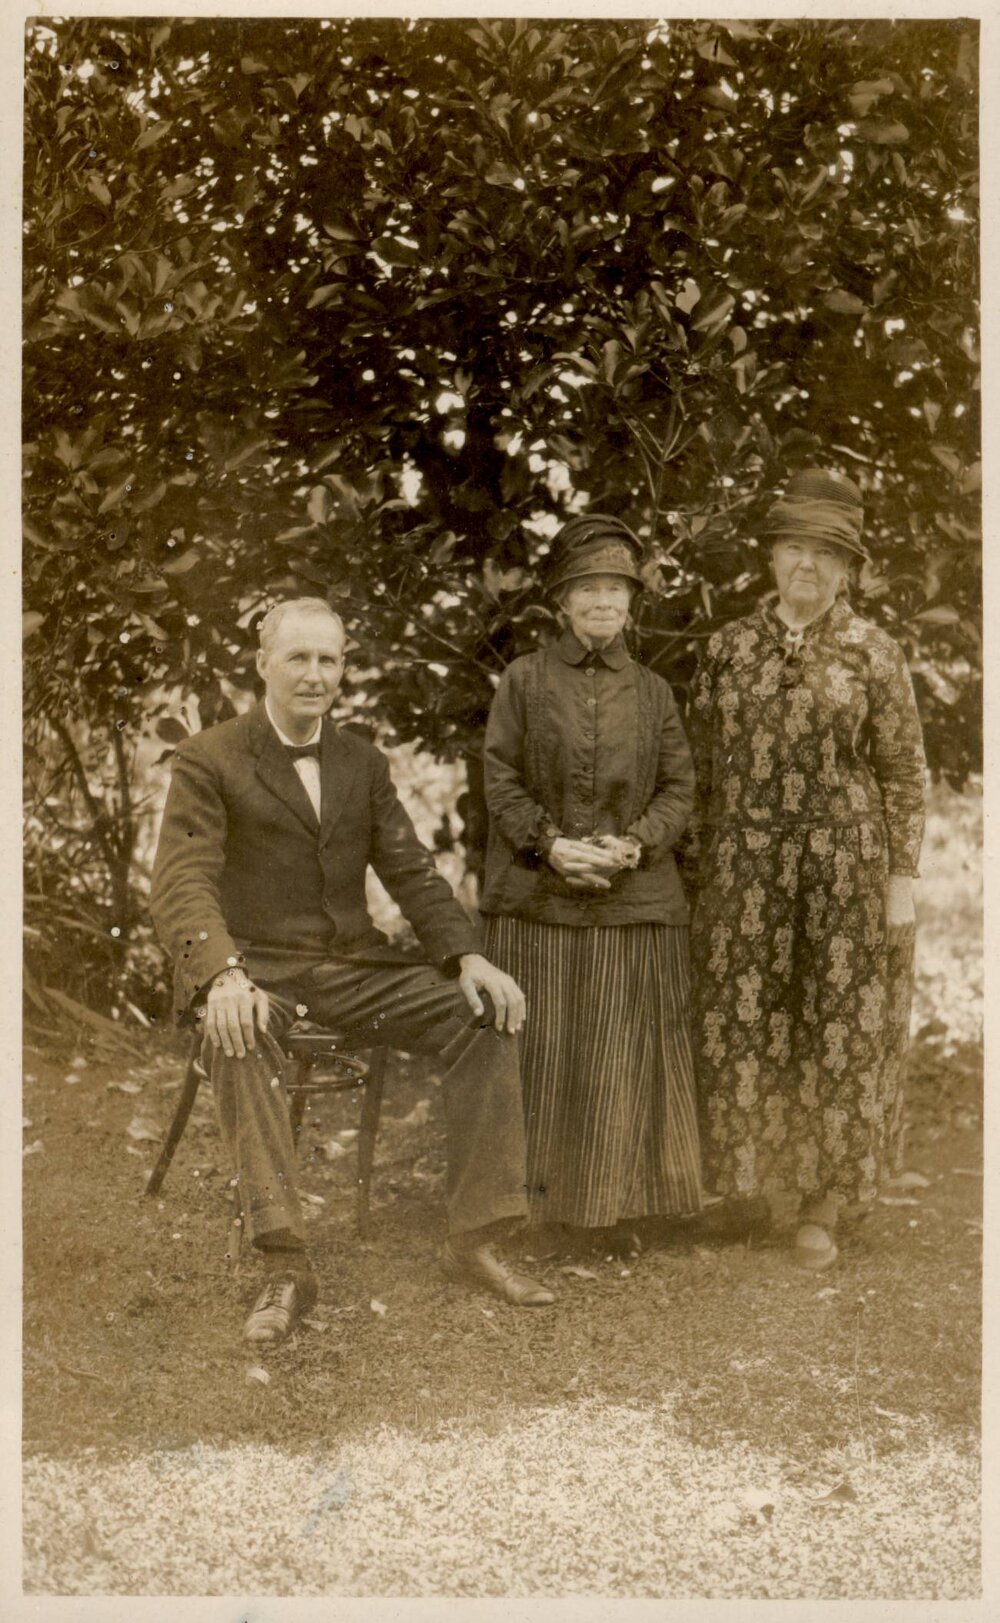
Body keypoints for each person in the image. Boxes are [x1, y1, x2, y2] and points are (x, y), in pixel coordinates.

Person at [150, 597, 555, 1345]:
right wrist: (221, 975)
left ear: (343, 668)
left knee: (483, 1013)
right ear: (263, 663)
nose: (314, 675)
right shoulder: (210, 758)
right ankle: (284, 1261)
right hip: (260, 971)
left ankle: (475, 1236)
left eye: (329, 659)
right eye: (298, 658)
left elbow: (410, 869)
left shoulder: (360, 761)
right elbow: (182, 879)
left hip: (351, 968)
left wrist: (467, 956)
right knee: (236, 1031)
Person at [687, 468, 927, 1270]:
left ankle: (824, 1202)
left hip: (845, 866)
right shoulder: (726, 649)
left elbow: (903, 773)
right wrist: (695, 871)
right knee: (744, 1022)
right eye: (795, 548)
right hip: (745, 863)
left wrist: (901, 880)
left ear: (848, 569)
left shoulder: (874, 652)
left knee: (839, 1029)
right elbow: (699, 767)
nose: (808, 567)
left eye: (827, 554)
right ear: (771, 558)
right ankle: (750, 1190)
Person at [480, 515, 702, 1252]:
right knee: (542, 1049)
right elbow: (499, 778)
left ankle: (608, 1214)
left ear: (632, 603)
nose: (604, 601)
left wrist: (634, 846)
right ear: (562, 600)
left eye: (616, 588)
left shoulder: (655, 693)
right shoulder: (523, 680)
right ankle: (534, 1216)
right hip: (537, 896)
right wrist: (551, 846)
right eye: (589, 588)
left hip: (632, 897)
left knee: (616, 1051)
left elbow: (679, 787)